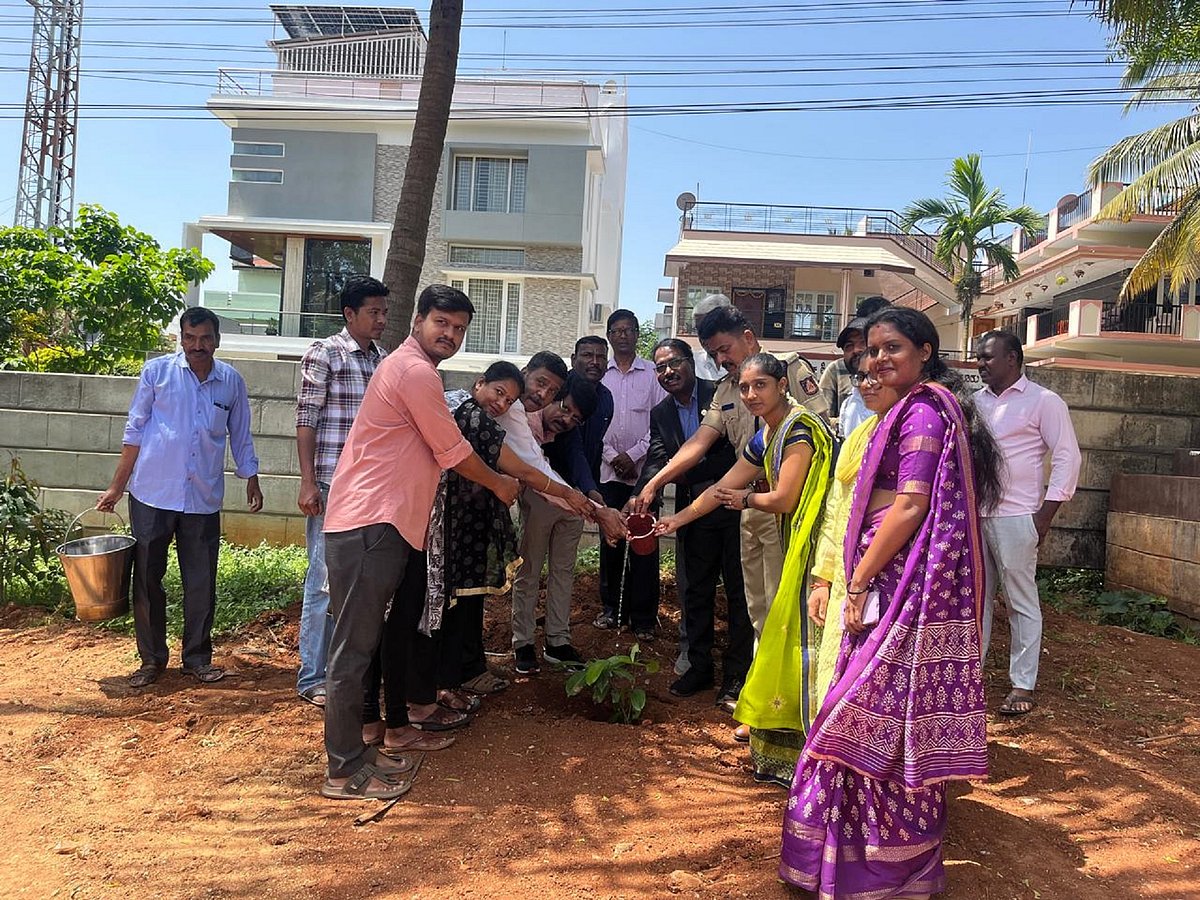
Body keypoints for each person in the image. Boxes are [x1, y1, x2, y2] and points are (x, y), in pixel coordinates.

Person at [780, 307, 1002, 898]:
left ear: (926, 351)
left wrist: (857, 581)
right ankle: (856, 861)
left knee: (863, 717)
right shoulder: (894, 415)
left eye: (893, 347)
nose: (877, 359)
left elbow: (908, 506)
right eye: (871, 351)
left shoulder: (923, 411)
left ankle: (877, 868)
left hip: (902, 588)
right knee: (870, 718)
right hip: (884, 582)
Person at [320, 285, 519, 801]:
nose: (450, 335)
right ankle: (342, 771)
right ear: (418, 320)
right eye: (442, 324)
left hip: (380, 524)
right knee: (352, 652)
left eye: (458, 329)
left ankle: (360, 753)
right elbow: (452, 450)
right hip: (371, 523)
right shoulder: (414, 372)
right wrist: (499, 484)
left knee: (365, 646)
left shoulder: (410, 369)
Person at [659, 353, 834, 785]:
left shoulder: (799, 430)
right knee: (771, 625)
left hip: (809, 548)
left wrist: (747, 501)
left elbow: (785, 498)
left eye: (761, 386)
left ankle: (810, 740)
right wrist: (677, 521)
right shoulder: (767, 435)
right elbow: (727, 485)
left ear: (781, 385)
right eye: (745, 388)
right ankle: (772, 728)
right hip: (782, 540)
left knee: (796, 634)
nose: (752, 394)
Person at [634, 305, 828, 642]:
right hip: (748, 506)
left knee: (791, 607)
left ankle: (788, 688)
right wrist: (656, 484)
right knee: (756, 606)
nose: (722, 359)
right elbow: (701, 444)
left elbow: (822, 435)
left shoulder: (790, 370)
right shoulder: (727, 390)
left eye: (725, 349)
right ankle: (757, 684)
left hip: (791, 509)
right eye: (714, 353)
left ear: (748, 338)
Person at [97, 306, 262, 688]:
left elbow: (241, 435)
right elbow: (134, 430)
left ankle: (197, 659)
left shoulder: (231, 382)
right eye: (190, 338)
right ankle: (151, 660)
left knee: (201, 580)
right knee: (148, 579)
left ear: (217, 340)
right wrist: (117, 486)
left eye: (205, 339)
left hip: (202, 498)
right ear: (180, 338)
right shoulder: (157, 374)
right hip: (153, 493)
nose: (197, 346)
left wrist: (251, 477)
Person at [635, 338, 749, 707]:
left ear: (690, 363)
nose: (668, 372)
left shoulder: (721, 394)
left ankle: (736, 675)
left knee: (738, 594)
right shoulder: (661, 413)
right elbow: (656, 457)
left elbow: (734, 454)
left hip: (732, 509)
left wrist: (687, 473)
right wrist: (641, 493)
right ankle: (699, 668)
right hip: (691, 517)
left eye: (674, 363)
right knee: (694, 592)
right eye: (661, 367)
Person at [293, 275, 389, 708]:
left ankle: (344, 675)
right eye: (374, 312)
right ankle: (312, 676)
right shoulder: (326, 353)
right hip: (331, 484)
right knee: (323, 581)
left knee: (359, 585)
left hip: (369, 489)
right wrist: (308, 481)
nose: (382, 319)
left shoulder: (383, 360)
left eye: (384, 312)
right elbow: (307, 418)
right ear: (349, 314)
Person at [976, 330, 1081, 717]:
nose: (981, 364)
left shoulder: (1044, 402)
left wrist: (1044, 516)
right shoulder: (975, 404)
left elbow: (1068, 457)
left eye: (988, 357)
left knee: (1021, 601)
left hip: (1019, 518)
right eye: (978, 358)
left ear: (1013, 359)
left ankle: (1023, 684)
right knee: (977, 599)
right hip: (977, 516)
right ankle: (973, 675)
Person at [807, 353, 901, 707]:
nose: (867, 384)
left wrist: (863, 580)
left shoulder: (908, 435)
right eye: (861, 376)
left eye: (878, 376)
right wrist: (823, 580)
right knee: (833, 670)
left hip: (890, 576)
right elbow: (836, 511)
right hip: (847, 574)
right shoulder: (859, 436)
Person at [509, 373, 600, 674]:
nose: (567, 419)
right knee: (529, 569)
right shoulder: (525, 421)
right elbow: (535, 468)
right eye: (565, 408)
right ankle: (522, 642)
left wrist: (590, 493)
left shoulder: (568, 431)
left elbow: (577, 457)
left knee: (563, 572)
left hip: (573, 505)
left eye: (576, 418)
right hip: (539, 499)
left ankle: (558, 642)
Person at [592, 309, 668, 640]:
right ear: (609, 335)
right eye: (617, 330)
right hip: (607, 474)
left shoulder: (653, 374)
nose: (623, 335)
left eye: (629, 330)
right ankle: (612, 610)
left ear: (638, 335)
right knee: (610, 543)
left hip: (644, 477)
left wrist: (633, 455)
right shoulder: (598, 376)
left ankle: (644, 619)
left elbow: (660, 423)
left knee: (644, 545)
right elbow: (593, 425)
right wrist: (611, 456)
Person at [819, 295, 891, 439]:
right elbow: (823, 418)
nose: (856, 350)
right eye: (849, 346)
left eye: (863, 342)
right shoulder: (849, 404)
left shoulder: (897, 387)